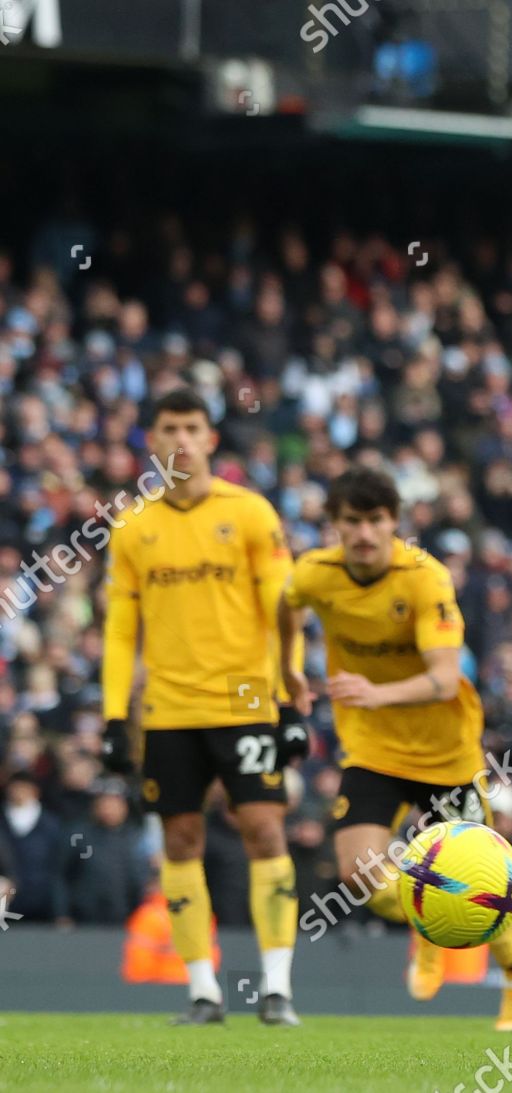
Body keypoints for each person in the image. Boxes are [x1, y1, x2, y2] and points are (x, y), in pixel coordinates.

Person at [277, 467, 512, 1032]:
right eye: (353, 521)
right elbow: (287, 605)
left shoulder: (424, 579)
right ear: (335, 526)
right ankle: (430, 925)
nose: (365, 533)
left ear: (394, 522)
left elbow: (445, 679)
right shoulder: (315, 574)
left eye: (375, 520)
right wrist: (288, 669)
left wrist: (375, 692)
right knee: (357, 876)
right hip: (372, 750)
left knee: (486, 882)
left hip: (447, 752)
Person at [101, 387, 302, 1026]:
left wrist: (290, 696)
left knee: (265, 830)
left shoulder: (250, 514)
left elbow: (284, 612)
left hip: (246, 703)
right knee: (179, 841)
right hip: (169, 712)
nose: (181, 439)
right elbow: (118, 632)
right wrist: (113, 715)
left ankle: (277, 989)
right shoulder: (133, 527)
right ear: (153, 441)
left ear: (211, 438)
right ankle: (203, 993)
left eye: (192, 427)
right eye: (169, 428)